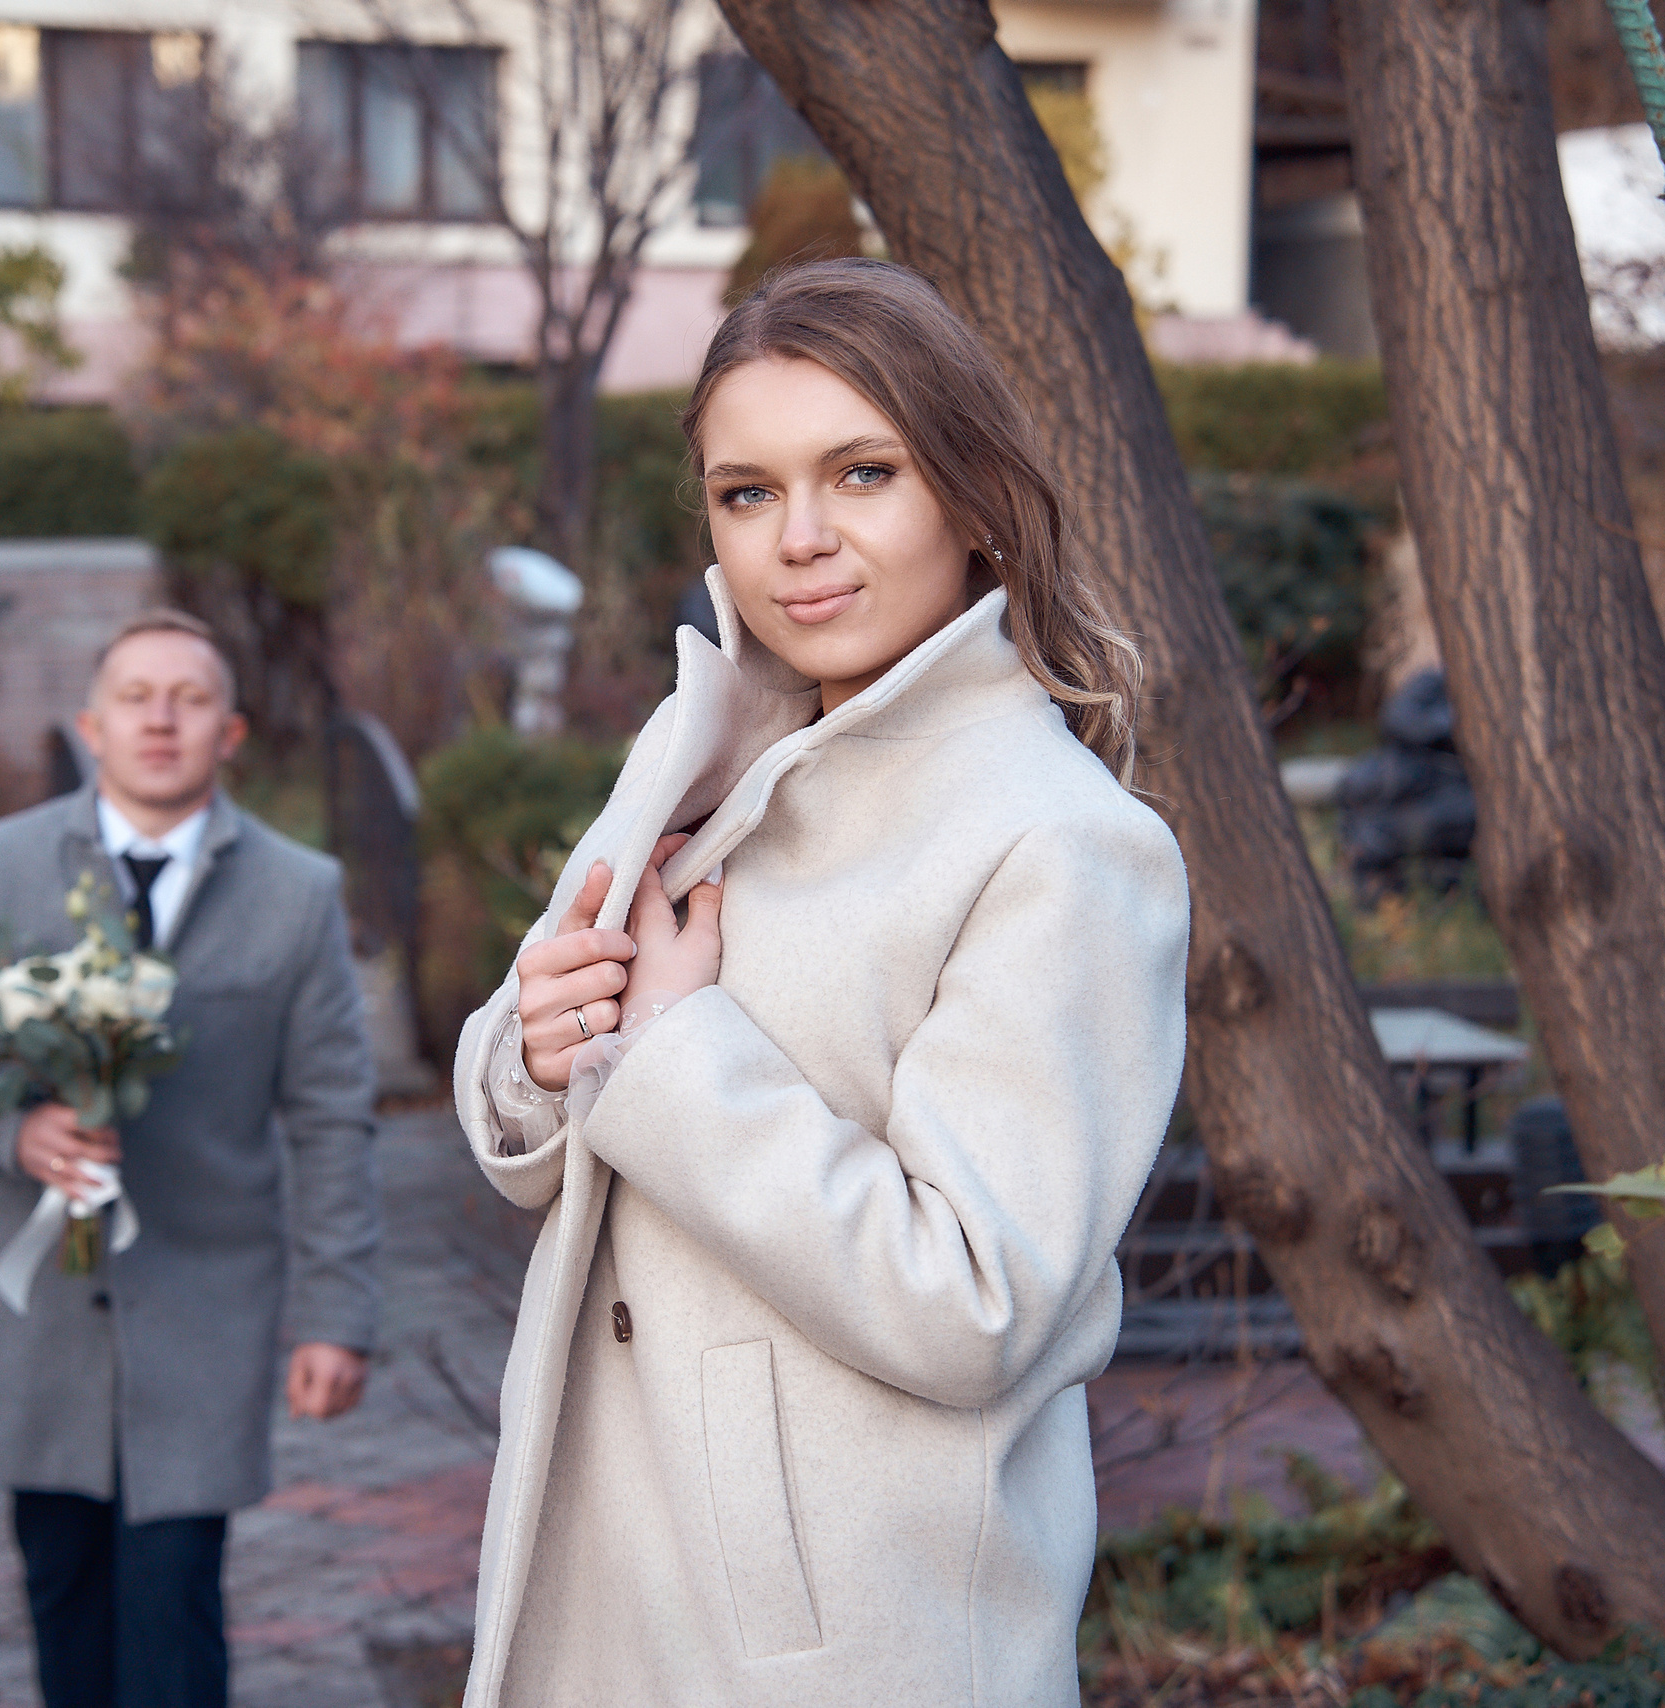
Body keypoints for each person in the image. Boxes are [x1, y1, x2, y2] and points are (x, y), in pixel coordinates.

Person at [450, 260, 1190, 1706]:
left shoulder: (1062, 842)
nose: (799, 539)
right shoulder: (695, 748)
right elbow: (532, 1110)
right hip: (612, 1574)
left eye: (862, 473)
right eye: (747, 492)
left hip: (851, 1638)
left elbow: (974, 1303)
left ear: (974, 497)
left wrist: (670, 1052)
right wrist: (539, 1053)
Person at [0, 609, 381, 1708]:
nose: (162, 719)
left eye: (190, 699)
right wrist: (13, 1128)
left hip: (205, 1310)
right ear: (92, 726)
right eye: (136, 697)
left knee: (172, 1612)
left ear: (230, 732)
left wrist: (336, 1313)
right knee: (63, 1602)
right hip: (37, 1321)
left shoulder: (298, 893)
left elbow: (332, 1113)